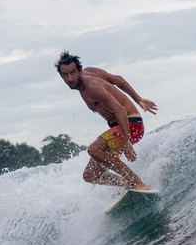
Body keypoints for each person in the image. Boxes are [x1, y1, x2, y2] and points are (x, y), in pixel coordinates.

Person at [55, 51, 158, 190]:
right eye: (65, 75)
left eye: (73, 72)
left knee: (94, 149)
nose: (70, 78)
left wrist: (127, 142)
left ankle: (137, 183)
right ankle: (126, 184)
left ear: (79, 70)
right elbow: (119, 79)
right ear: (61, 76)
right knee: (90, 175)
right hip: (119, 129)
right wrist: (138, 99)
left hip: (131, 125)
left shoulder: (91, 88)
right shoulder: (90, 72)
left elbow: (120, 110)